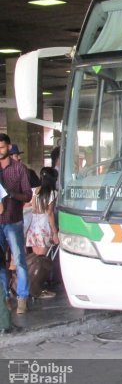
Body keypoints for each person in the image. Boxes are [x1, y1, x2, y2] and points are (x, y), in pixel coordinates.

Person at [0, 134, 33, 314]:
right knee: (0, 262)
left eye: (2, 148)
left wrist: (12, 194)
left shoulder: (19, 169)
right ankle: (5, 297)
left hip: (13, 220)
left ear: (9, 147)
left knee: (19, 259)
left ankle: (22, 298)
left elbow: (28, 195)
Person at [25, 168, 59, 299]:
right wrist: (55, 232)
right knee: (41, 261)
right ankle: (37, 288)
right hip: (44, 226)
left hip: (34, 226)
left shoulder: (35, 191)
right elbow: (50, 214)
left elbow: (31, 207)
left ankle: (31, 286)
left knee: (35, 259)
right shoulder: (52, 194)